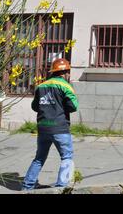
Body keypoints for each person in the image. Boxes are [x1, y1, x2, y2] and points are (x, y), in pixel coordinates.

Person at [21, 58, 78, 190]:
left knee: (39, 158)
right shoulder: (66, 86)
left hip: (43, 128)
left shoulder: (41, 86)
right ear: (65, 73)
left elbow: (35, 106)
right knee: (66, 157)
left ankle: (27, 186)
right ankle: (62, 187)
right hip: (60, 128)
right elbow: (73, 106)